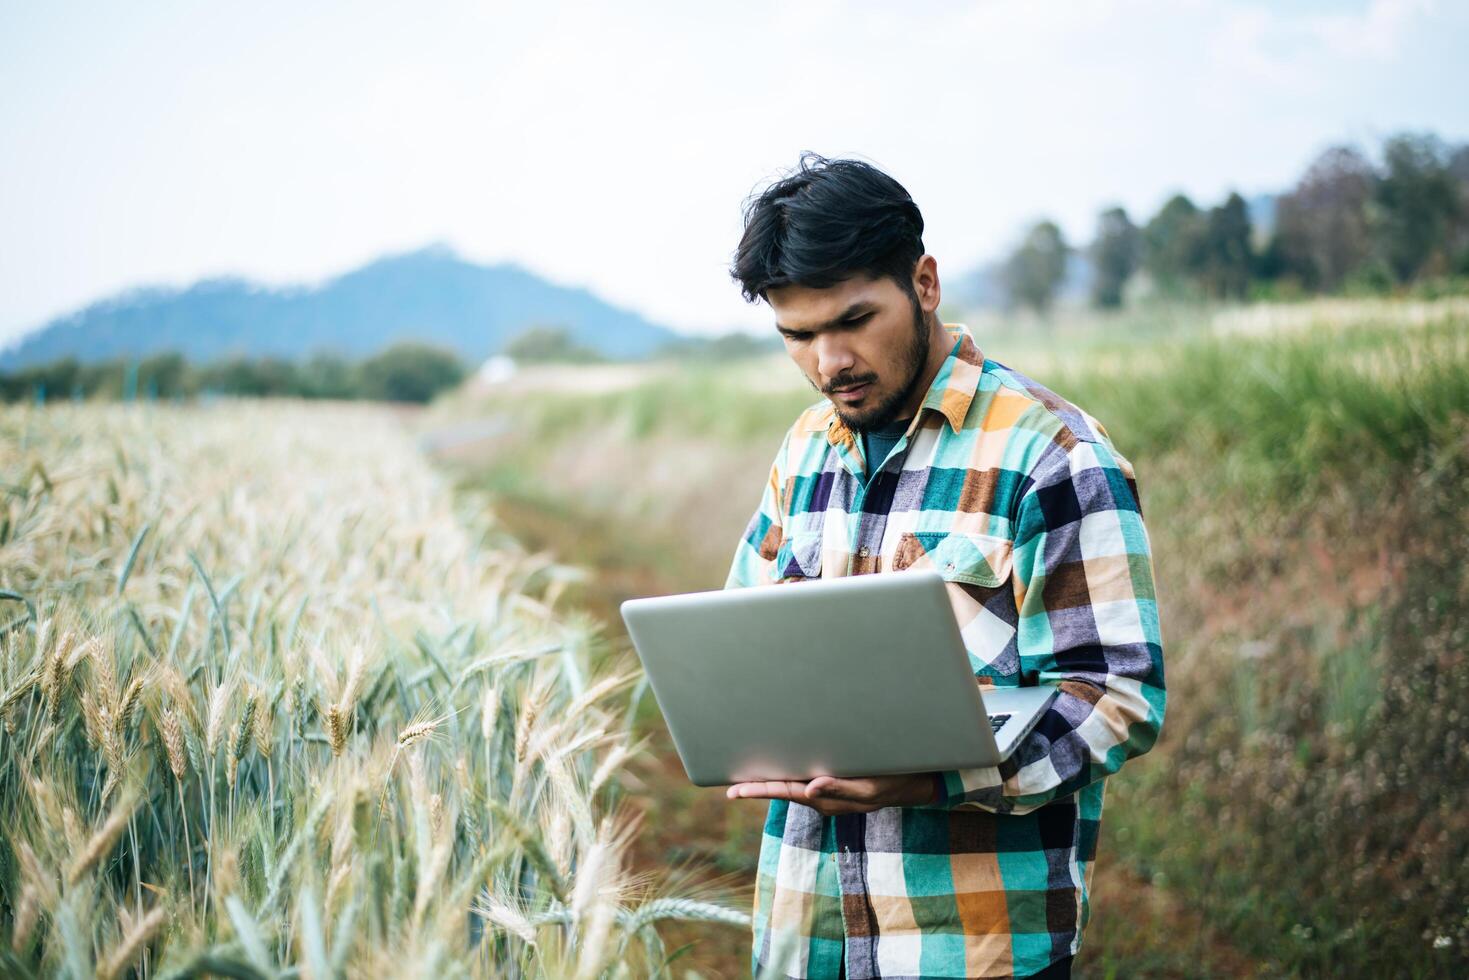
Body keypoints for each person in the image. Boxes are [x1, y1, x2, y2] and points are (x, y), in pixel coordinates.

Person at [721, 154, 1166, 979]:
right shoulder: (803, 451)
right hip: (802, 932)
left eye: (853, 320)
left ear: (923, 282)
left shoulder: (1053, 455)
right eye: (798, 335)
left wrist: (929, 780)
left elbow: (1116, 702)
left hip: (970, 947)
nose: (829, 364)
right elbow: (740, 646)